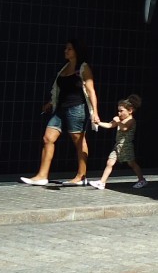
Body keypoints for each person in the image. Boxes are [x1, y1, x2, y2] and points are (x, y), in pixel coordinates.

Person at [21, 39, 100, 186]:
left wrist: (95, 112)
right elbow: (60, 90)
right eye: (66, 49)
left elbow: (91, 91)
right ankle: (42, 176)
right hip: (61, 109)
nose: (66, 51)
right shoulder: (64, 68)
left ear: (76, 51)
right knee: (47, 138)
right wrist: (51, 103)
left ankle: (81, 176)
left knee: (79, 142)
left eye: (69, 49)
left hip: (77, 108)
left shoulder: (83, 68)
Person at [89, 95, 146, 190]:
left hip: (126, 146)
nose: (119, 113)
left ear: (130, 111)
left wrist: (118, 121)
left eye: (121, 111)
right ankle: (102, 182)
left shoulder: (131, 120)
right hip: (118, 145)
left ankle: (141, 180)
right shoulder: (120, 120)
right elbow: (109, 125)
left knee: (132, 163)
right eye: (118, 111)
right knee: (110, 162)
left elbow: (124, 128)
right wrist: (98, 123)